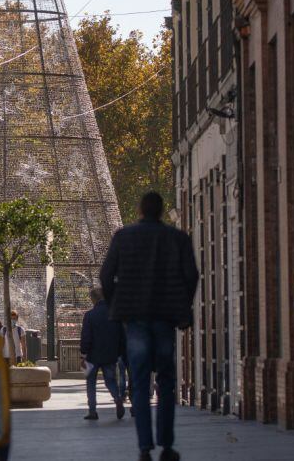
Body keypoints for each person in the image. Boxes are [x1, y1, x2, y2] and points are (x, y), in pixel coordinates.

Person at [101, 191, 198, 461]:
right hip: (165, 319)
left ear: (141, 211)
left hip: (135, 320)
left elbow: (106, 276)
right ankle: (167, 445)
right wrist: (182, 306)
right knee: (166, 383)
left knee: (140, 384)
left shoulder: (123, 237)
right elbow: (191, 276)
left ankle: (144, 448)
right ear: (162, 210)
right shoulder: (178, 239)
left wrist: (115, 307)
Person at [80, 287, 124, 421]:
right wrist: (119, 352)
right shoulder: (114, 314)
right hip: (110, 354)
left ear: (93, 299)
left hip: (92, 356)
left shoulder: (90, 315)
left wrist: (83, 353)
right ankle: (117, 398)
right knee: (110, 380)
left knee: (90, 382)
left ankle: (92, 411)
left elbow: (86, 336)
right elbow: (121, 335)